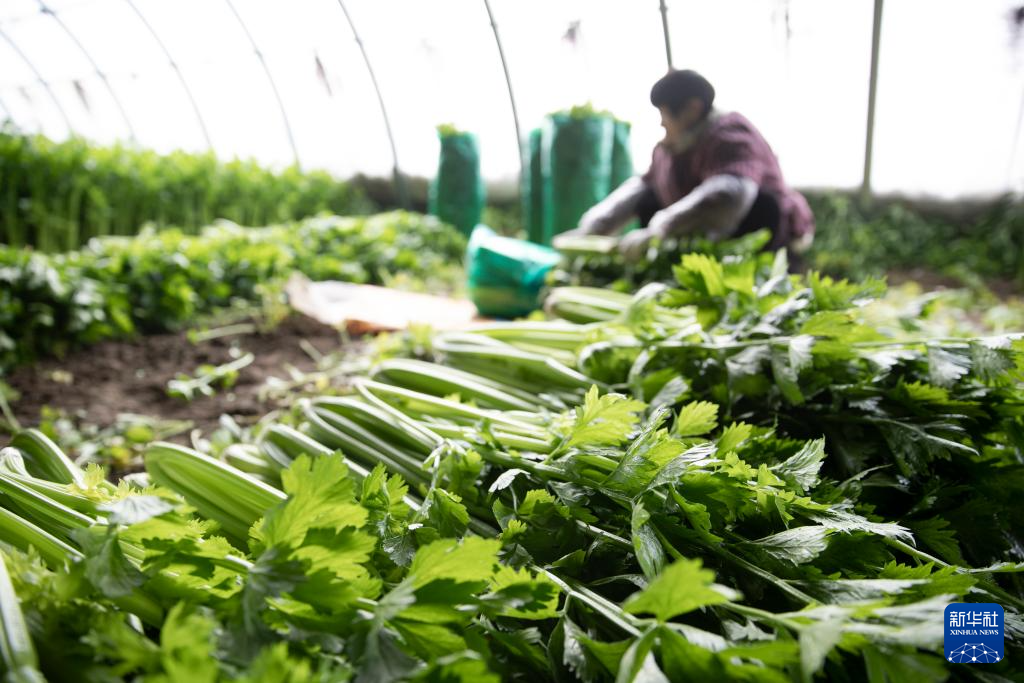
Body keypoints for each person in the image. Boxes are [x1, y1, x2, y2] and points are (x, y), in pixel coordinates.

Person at [566, 69, 814, 264]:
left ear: (692, 109)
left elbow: (730, 193)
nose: (662, 123)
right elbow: (644, 186)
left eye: (665, 114)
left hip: (765, 237)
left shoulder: (730, 134)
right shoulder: (672, 146)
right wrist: (593, 228)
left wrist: (661, 229)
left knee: (763, 204)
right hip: (713, 239)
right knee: (650, 200)